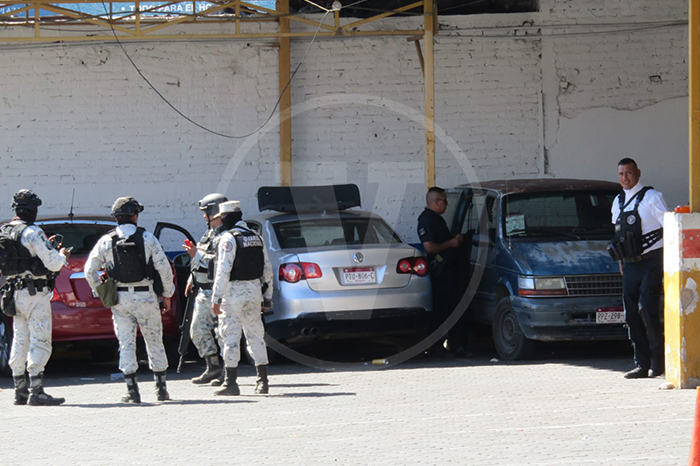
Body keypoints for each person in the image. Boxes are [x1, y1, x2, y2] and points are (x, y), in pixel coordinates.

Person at [85, 197, 175, 403]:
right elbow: (164, 269)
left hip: (120, 299)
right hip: (146, 297)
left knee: (126, 343)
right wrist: (167, 295)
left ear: (116, 217)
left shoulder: (106, 241)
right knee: (154, 340)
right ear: (135, 216)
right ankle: (161, 390)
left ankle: (132, 391)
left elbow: (89, 270)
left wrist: (102, 292)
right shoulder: (148, 238)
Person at [2, 189, 70, 406]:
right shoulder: (33, 232)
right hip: (34, 294)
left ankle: (19, 390)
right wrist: (62, 255)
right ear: (32, 209)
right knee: (40, 339)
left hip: (13, 293)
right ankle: (37, 390)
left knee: (20, 339)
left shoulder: (4, 231)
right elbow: (53, 263)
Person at [611, 158, 668, 379]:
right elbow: (618, 234)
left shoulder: (652, 197)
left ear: (638, 173)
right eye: (621, 174)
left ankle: (658, 363)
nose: (625, 178)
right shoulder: (617, 201)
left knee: (647, 310)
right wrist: (621, 262)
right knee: (631, 314)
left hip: (651, 262)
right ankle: (641, 364)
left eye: (629, 173)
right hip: (629, 264)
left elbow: (669, 228)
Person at [210, 200, 273, 396]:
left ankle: (231, 383)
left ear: (226, 217)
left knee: (230, 338)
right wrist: (267, 298)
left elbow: (223, 270)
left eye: (222, 218)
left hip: (233, 294)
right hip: (254, 292)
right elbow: (267, 269)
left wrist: (216, 298)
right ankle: (262, 382)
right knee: (256, 336)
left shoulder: (228, 238)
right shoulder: (256, 237)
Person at [183, 193, 227, 385]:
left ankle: (227, 371)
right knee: (198, 330)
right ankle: (213, 367)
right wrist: (191, 279)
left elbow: (219, 263)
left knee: (222, 333)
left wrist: (196, 254)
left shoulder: (226, 236)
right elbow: (200, 258)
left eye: (206, 212)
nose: (203, 216)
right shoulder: (209, 234)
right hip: (203, 291)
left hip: (219, 292)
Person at [417, 186, 466, 357]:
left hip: (450, 271)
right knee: (441, 311)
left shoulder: (438, 219)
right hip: (440, 273)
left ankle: (455, 346)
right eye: (445, 201)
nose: (447, 204)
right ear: (437, 202)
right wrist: (451, 244)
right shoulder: (426, 220)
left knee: (453, 309)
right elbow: (429, 247)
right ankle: (437, 348)